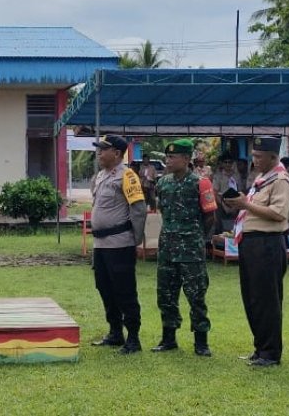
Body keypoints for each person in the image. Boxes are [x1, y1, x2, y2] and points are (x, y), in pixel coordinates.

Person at [223, 136, 289, 367]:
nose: (254, 161)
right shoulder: (263, 178)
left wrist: (246, 205)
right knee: (253, 298)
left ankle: (271, 353)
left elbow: (278, 213)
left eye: (259, 156)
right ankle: (260, 347)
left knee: (267, 300)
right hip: (251, 243)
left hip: (268, 243)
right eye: (253, 155)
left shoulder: (281, 180)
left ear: (273, 157)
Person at [153, 139, 216, 357]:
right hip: (167, 248)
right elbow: (162, 210)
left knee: (196, 295)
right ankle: (168, 338)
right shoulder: (162, 183)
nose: (168, 161)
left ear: (186, 159)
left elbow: (210, 216)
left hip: (191, 249)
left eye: (173, 157)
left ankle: (201, 341)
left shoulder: (201, 183)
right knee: (166, 294)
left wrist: (198, 238)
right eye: (167, 157)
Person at [88, 134, 147, 355]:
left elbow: (139, 209)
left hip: (120, 243)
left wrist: (136, 240)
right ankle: (115, 332)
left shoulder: (128, 175)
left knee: (125, 290)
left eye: (104, 149)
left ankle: (133, 337)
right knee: (104, 287)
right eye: (99, 149)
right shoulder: (100, 176)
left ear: (118, 153)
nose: (99, 153)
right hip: (100, 244)